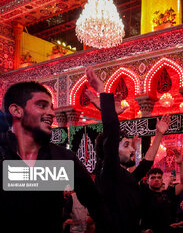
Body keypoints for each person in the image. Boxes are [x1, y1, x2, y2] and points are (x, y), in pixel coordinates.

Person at [0, 82, 108, 232]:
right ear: (17, 110)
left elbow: (96, 203)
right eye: (42, 105)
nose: (51, 113)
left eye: (51, 107)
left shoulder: (62, 157)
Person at [85, 67, 171, 233]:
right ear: (111, 151)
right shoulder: (108, 173)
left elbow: (146, 163)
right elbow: (111, 130)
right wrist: (103, 92)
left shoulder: (124, 177)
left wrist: (159, 134)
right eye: (126, 145)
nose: (132, 150)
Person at [140, 148, 183, 233]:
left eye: (159, 177)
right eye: (153, 178)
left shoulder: (168, 193)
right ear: (147, 181)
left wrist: (180, 164)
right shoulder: (143, 193)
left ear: (162, 180)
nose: (156, 179)